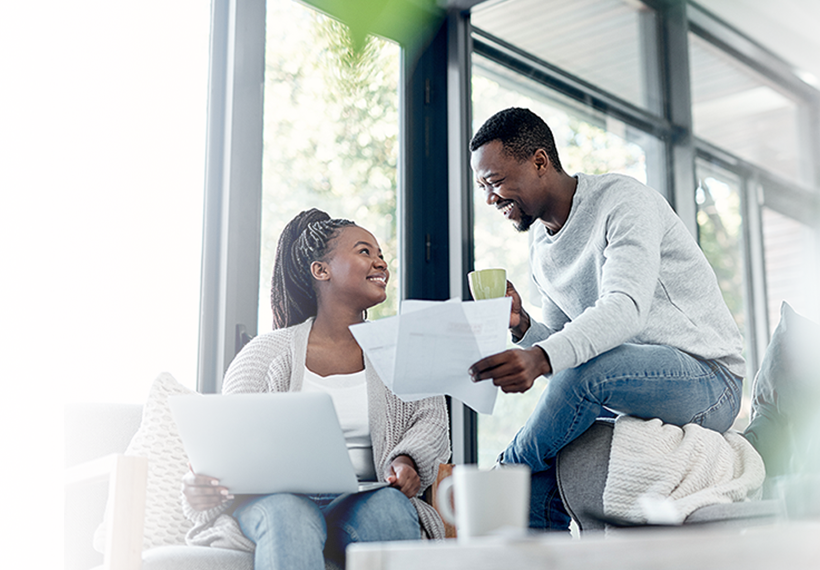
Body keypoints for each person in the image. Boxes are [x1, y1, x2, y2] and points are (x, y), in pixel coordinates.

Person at [466, 107, 747, 530]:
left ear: (540, 162)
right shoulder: (541, 244)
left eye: (496, 182)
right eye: (482, 187)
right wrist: (525, 327)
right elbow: (567, 341)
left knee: (585, 375)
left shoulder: (623, 201)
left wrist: (540, 357)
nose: (490, 198)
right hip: (632, 385)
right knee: (540, 482)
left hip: (710, 381)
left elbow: (624, 308)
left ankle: (504, 471)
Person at [182, 209, 450, 570]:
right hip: (274, 501)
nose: (380, 262)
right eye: (364, 251)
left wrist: (407, 460)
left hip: (364, 497)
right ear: (321, 271)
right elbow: (226, 440)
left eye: (381, 254)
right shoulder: (265, 354)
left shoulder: (402, 352)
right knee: (290, 514)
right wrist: (203, 487)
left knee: (391, 510)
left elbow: (431, 419)